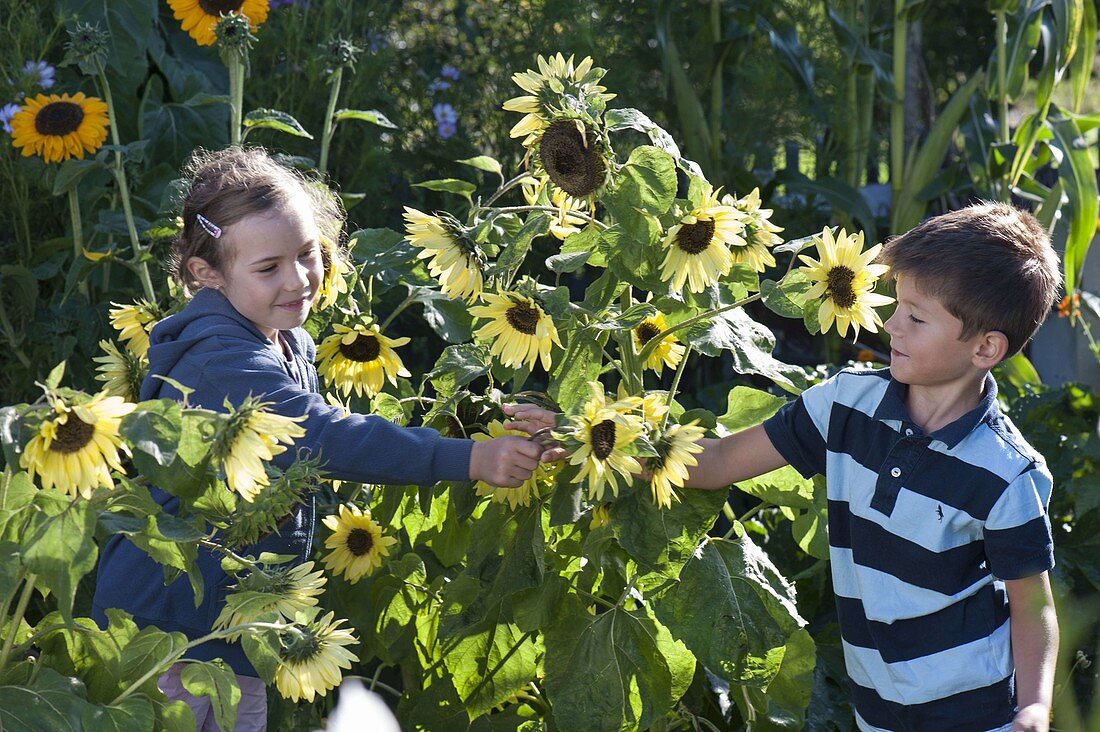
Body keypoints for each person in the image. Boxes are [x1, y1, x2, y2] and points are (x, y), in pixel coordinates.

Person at [508, 202, 1061, 732]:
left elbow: (1031, 604)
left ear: (986, 348)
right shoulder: (845, 407)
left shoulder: (1005, 475)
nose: (891, 326)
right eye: (897, 307)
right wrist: (590, 438)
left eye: (915, 317)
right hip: (877, 709)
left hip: (973, 715)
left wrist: (1035, 707)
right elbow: (720, 460)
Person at [93, 147, 545, 731]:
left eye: (308, 256)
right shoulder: (219, 360)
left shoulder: (284, 341)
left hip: (229, 625)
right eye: (269, 268)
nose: (300, 280)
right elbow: (324, 436)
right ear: (207, 273)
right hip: (168, 626)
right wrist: (469, 457)